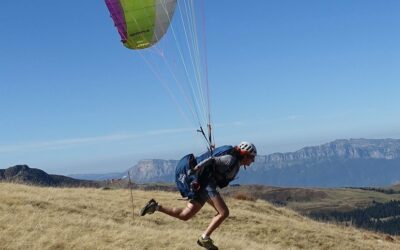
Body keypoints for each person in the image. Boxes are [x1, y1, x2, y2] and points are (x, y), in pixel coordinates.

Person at [139, 141, 257, 250]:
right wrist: (197, 167)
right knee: (224, 212)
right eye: (252, 157)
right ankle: (204, 238)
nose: (253, 161)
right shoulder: (230, 160)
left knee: (185, 215)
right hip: (206, 185)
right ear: (245, 154)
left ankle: (155, 206)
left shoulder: (234, 162)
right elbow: (212, 160)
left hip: (203, 185)